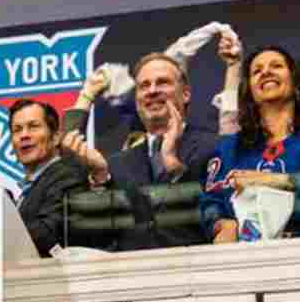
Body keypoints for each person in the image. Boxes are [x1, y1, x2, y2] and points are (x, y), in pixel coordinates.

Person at [60, 45, 238, 249]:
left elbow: (221, 217)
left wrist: (173, 165)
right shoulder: (116, 165)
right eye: (144, 85)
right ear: (137, 100)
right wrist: (101, 178)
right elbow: (102, 238)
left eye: (162, 82)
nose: (152, 90)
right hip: (131, 276)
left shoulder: (214, 147)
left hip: (194, 273)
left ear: (186, 94)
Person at [200, 47, 300, 243]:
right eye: (256, 71)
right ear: (249, 91)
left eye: (276, 66)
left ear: (295, 83)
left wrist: (283, 181)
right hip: (243, 262)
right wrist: (222, 224)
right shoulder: (229, 149)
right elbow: (210, 201)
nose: (266, 72)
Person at [9, 98, 87, 257]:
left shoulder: (67, 176)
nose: (24, 135)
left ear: (56, 137)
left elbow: (48, 235)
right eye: (17, 129)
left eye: (33, 126)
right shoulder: (29, 188)